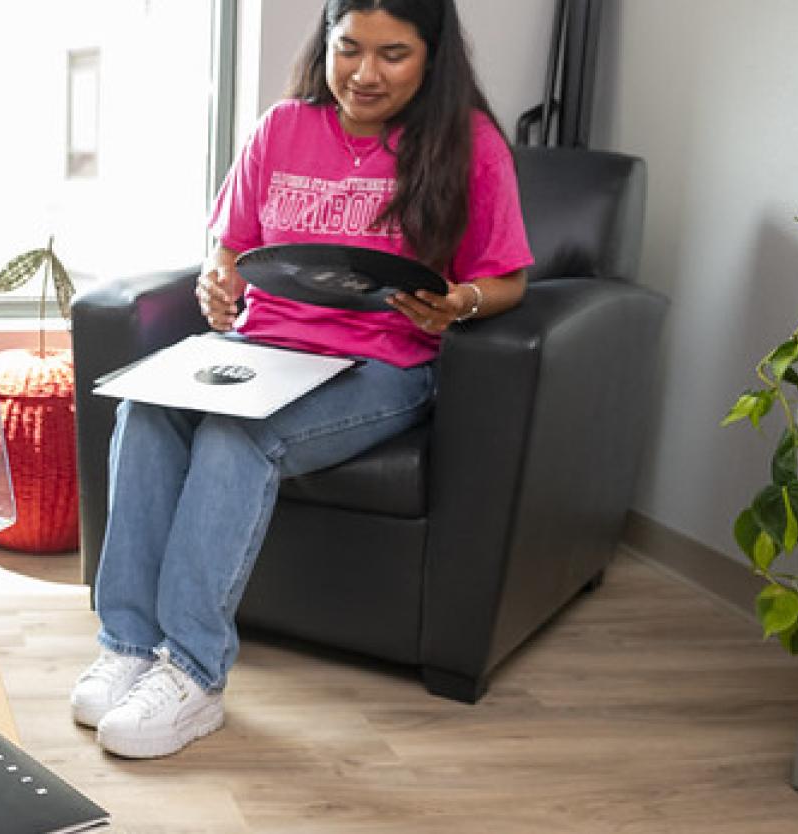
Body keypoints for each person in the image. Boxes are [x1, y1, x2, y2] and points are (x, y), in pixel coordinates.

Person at [70, 0, 534, 759]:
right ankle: (128, 645)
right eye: (348, 48)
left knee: (237, 437)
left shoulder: (470, 144)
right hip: (263, 350)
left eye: (393, 54)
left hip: (380, 363)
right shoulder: (282, 127)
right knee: (144, 412)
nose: (364, 73)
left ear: (432, 55)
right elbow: (231, 245)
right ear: (326, 43)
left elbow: (507, 279)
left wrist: (461, 303)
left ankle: (192, 675)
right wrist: (217, 282)